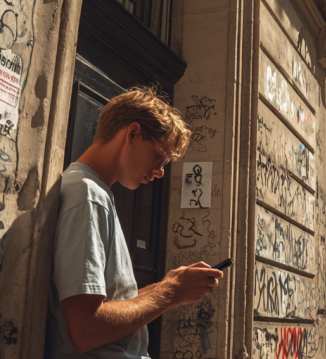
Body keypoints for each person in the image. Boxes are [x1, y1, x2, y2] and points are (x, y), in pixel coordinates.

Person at [47, 86, 223, 358]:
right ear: (132, 133)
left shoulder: (94, 191)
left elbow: (107, 303)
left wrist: (163, 286)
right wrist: (172, 291)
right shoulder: (88, 195)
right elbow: (85, 330)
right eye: (160, 157)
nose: (160, 172)